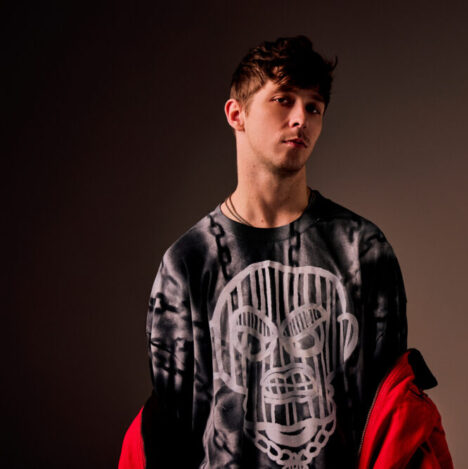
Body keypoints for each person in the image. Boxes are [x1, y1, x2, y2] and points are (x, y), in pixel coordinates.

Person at [126, 36, 408, 469]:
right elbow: (171, 434)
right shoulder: (188, 262)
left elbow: (391, 420)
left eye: (314, 107)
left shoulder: (363, 250)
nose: (301, 119)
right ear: (236, 114)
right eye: (283, 100)